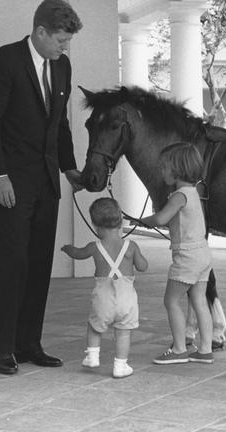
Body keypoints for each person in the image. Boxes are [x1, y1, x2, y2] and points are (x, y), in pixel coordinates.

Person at [0, 0, 84, 375]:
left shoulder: (62, 67)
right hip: (11, 183)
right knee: (12, 263)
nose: (65, 47)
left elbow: (60, 123)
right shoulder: (4, 62)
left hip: (46, 184)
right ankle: (4, 348)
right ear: (40, 32)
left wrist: (70, 168)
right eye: (61, 40)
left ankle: (29, 344)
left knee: (39, 263)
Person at [140, 142, 215, 365]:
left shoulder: (178, 195)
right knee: (199, 300)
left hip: (188, 257)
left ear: (176, 169)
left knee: (171, 301)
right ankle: (205, 350)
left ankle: (180, 348)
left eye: (164, 167)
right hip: (203, 254)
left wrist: (142, 221)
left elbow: (162, 219)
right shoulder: (194, 193)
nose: (161, 172)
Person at [61, 198, 148, 378]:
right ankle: (120, 366)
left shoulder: (94, 247)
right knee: (123, 333)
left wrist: (68, 248)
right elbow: (142, 266)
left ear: (95, 225)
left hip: (103, 298)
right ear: (121, 221)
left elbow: (78, 254)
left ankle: (92, 356)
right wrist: (139, 259)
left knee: (94, 327)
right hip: (127, 299)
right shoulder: (131, 246)